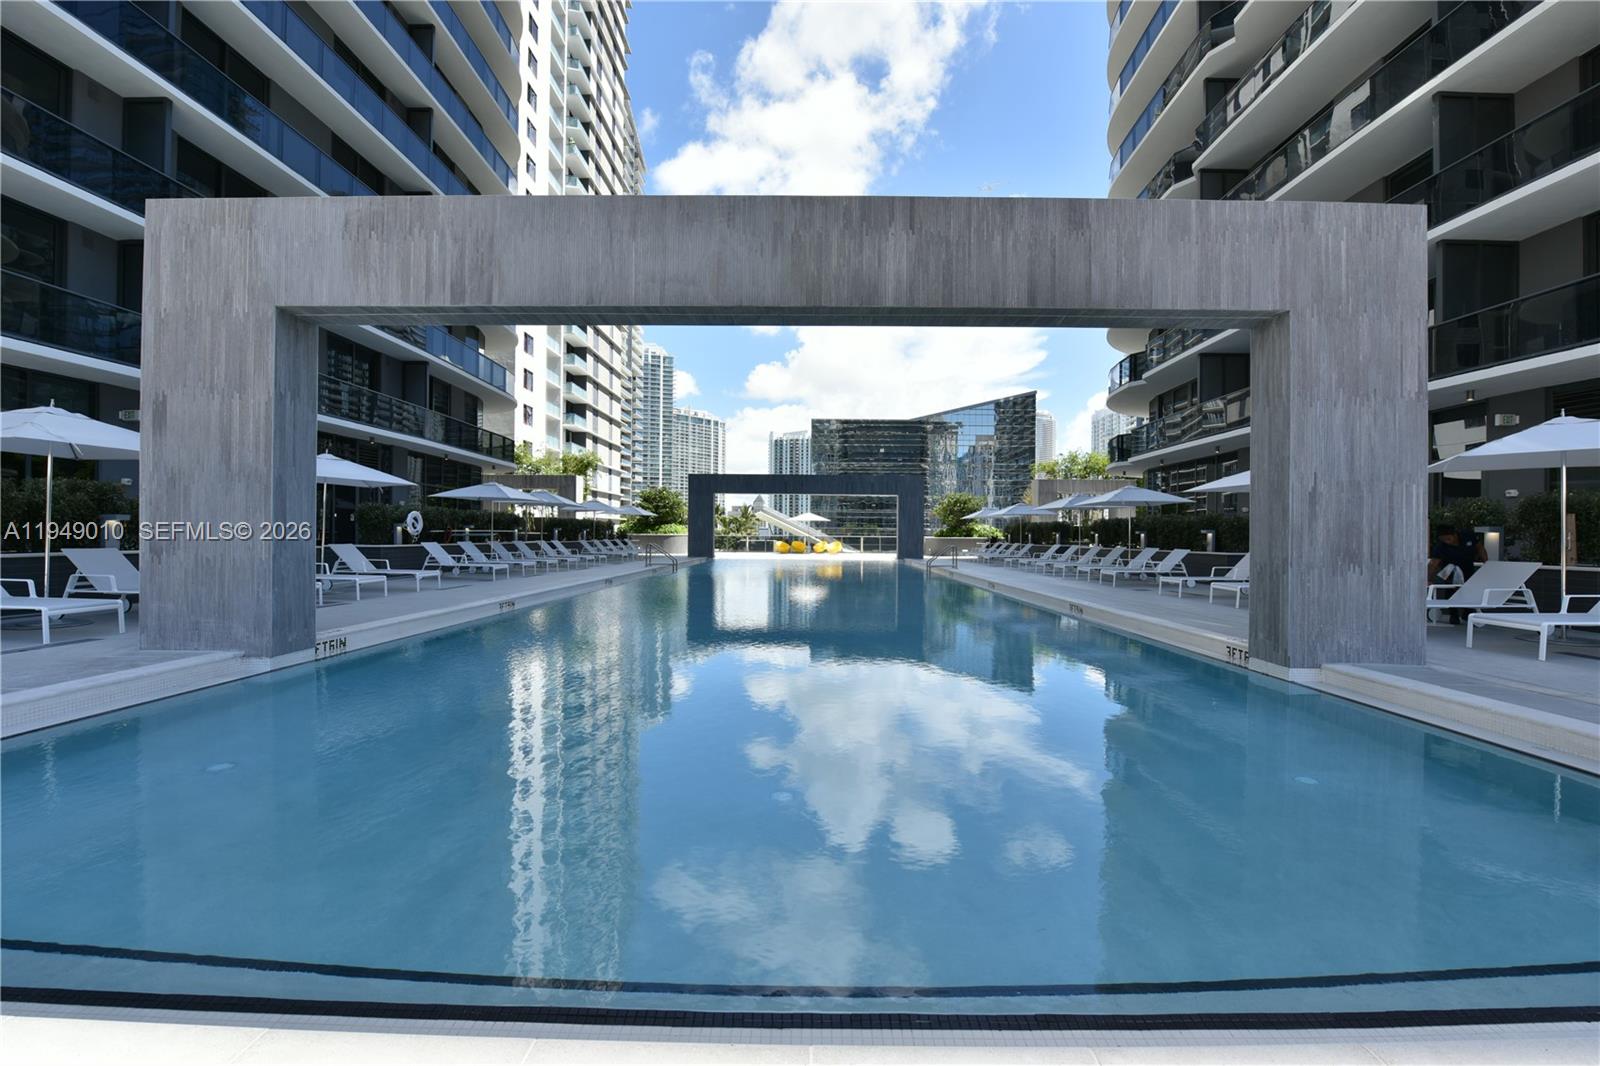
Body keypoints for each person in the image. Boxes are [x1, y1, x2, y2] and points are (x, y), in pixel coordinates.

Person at [1428, 526, 1487, 624]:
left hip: (1467, 566)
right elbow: (1433, 563)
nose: (1447, 541)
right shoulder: (1440, 547)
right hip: (1450, 569)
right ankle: (1453, 614)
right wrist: (1429, 578)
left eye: (1448, 539)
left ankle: (1467, 612)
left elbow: (1480, 548)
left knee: (1469, 589)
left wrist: (1486, 562)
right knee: (1451, 590)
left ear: (1455, 535)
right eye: (1444, 540)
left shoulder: (1467, 536)